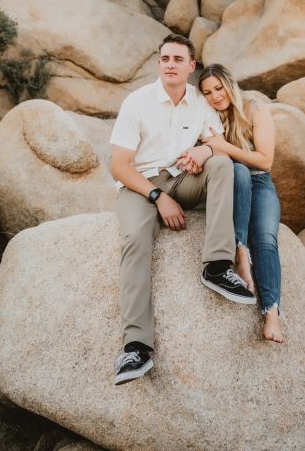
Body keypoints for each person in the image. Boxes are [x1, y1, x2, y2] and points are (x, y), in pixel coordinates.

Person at [109, 34, 255, 386]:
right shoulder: (137, 102)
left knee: (224, 166)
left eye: (178, 59)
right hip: (140, 184)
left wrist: (205, 152)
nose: (170, 64)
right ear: (159, 64)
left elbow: (217, 146)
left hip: (184, 178)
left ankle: (217, 266)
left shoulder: (200, 102)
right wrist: (158, 196)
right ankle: (136, 346)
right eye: (165, 59)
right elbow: (119, 166)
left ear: (191, 66)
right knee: (135, 240)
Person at [197, 64, 284, 343]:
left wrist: (222, 147)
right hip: (231, 183)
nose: (215, 96)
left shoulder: (254, 108)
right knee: (238, 170)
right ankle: (240, 251)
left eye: (219, 88)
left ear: (230, 84)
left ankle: (271, 312)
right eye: (207, 92)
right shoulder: (206, 115)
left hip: (261, 183)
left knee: (268, 241)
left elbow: (265, 160)